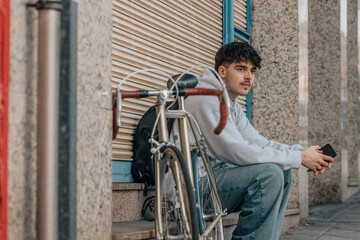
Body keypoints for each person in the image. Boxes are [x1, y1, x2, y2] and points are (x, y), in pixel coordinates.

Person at [171, 42, 334, 240]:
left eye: (252, 70)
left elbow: (257, 142)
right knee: (270, 175)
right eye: (241, 69)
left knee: (282, 172)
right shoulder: (207, 98)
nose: (248, 77)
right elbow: (237, 151)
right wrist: (299, 157)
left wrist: (303, 154)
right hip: (192, 190)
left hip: (215, 182)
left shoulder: (229, 102)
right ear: (222, 71)